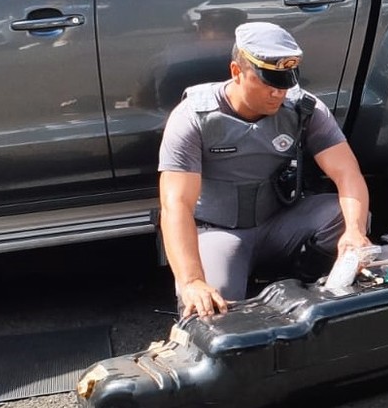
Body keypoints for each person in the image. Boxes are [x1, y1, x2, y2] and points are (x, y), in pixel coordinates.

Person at [158, 21, 372, 316]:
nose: (278, 93)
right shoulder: (193, 117)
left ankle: (314, 292)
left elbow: (347, 173)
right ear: (236, 71)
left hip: (277, 224)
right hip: (219, 233)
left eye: (285, 83)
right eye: (268, 83)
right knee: (210, 310)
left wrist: (355, 232)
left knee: (343, 215)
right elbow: (175, 206)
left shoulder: (303, 109)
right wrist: (192, 279)